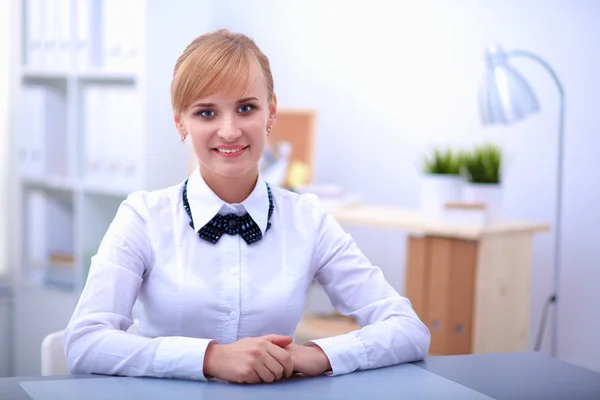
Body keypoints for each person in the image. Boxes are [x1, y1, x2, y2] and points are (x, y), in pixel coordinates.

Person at [63, 29, 430, 384]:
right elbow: (84, 342)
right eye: (206, 112)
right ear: (181, 122)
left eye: (245, 108)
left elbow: (408, 330)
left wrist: (316, 355)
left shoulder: (308, 220)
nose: (229, 130)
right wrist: (209, 358)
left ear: (270, 113)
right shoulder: (143, 217)